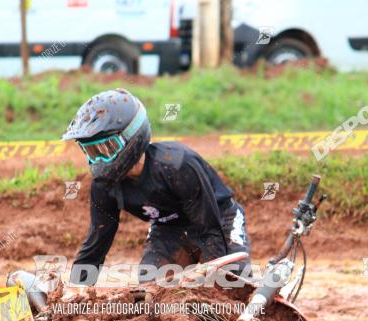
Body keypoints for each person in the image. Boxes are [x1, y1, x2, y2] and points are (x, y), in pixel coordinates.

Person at [61, 88, 251, 285]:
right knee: (150, 291)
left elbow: (211, 229)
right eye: (91, 152)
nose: (98, 160)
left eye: (106, 149)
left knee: (232, 284)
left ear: (132, 136)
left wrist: (213, 284)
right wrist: (76, 292)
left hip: (219, 219)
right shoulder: (104, 187)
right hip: (168, 229)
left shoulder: (176, 165)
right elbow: (96, 243)